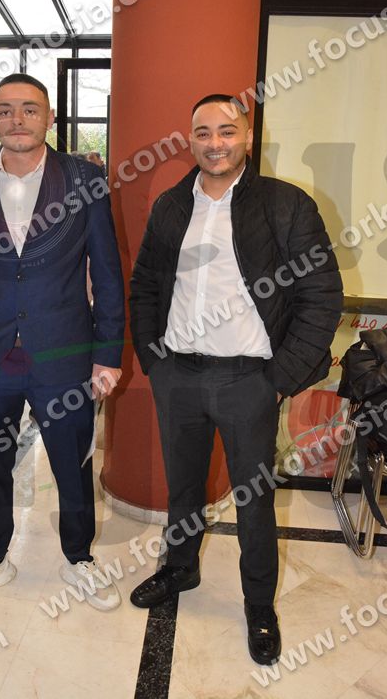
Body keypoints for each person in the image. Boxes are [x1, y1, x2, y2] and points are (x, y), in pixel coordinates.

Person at [128, 94, 343, 665]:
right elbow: (145, 283)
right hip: (178, 374)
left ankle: (258, 605)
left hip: (249, 379)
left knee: (254, 501)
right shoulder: (172, 205)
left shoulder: (286, 204)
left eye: (227, 131)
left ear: (248, 137)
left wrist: (279, 378)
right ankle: (179, 569)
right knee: (183, 489)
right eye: (203, 132)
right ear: (190, 140)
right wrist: (154, 358)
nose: (215, 143)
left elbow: (322, 297)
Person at [0, 73, 125, 614]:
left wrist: (107, 354)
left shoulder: (83, 178)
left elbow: (107, 271)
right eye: (4, 110)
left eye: (29, 109)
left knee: (72, 461)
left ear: (49, 117)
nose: (16, 119)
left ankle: (79, 558)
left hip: (64, 352)